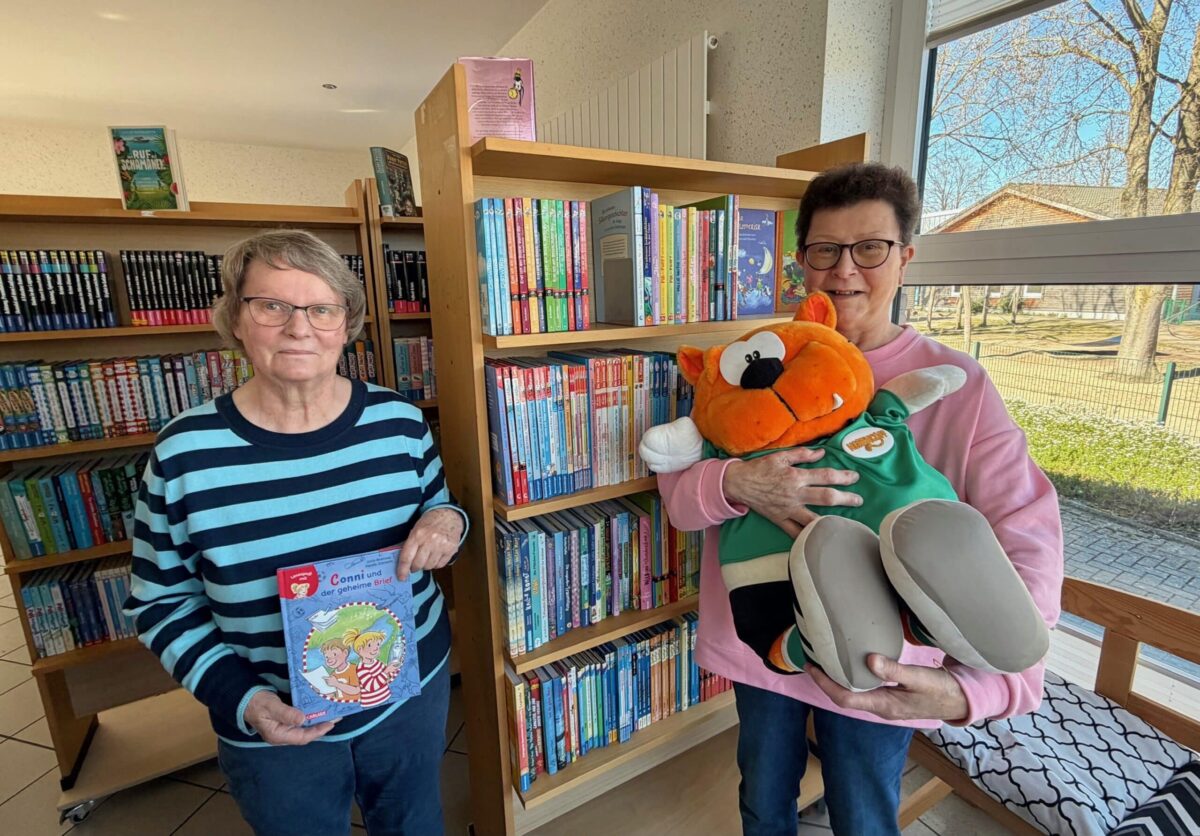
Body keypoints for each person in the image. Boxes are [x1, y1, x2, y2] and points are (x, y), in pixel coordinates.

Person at [657, 163, 1064, 836]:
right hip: (767, 647)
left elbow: (1025, 531)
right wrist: (734, 482)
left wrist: (984, 687)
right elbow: (677, 500)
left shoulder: (952, 382)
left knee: (865, 811)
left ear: (905, 258)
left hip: (886, 661)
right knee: (762, 796)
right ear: (800, 264)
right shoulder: (752, 364)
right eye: (825, 251)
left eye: (870, 248)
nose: (845, 270)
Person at [125, 229, 467, 836]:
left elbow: (440, 511)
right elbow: (159, 602)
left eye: (321, 308)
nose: (298, 327)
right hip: (272, 715)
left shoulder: (400, 422)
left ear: (346, 323)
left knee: (414, 822)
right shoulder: (184, 453)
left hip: (408, 693)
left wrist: (448, 522)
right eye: (272, 305)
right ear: (235, 318)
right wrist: (243, 700)